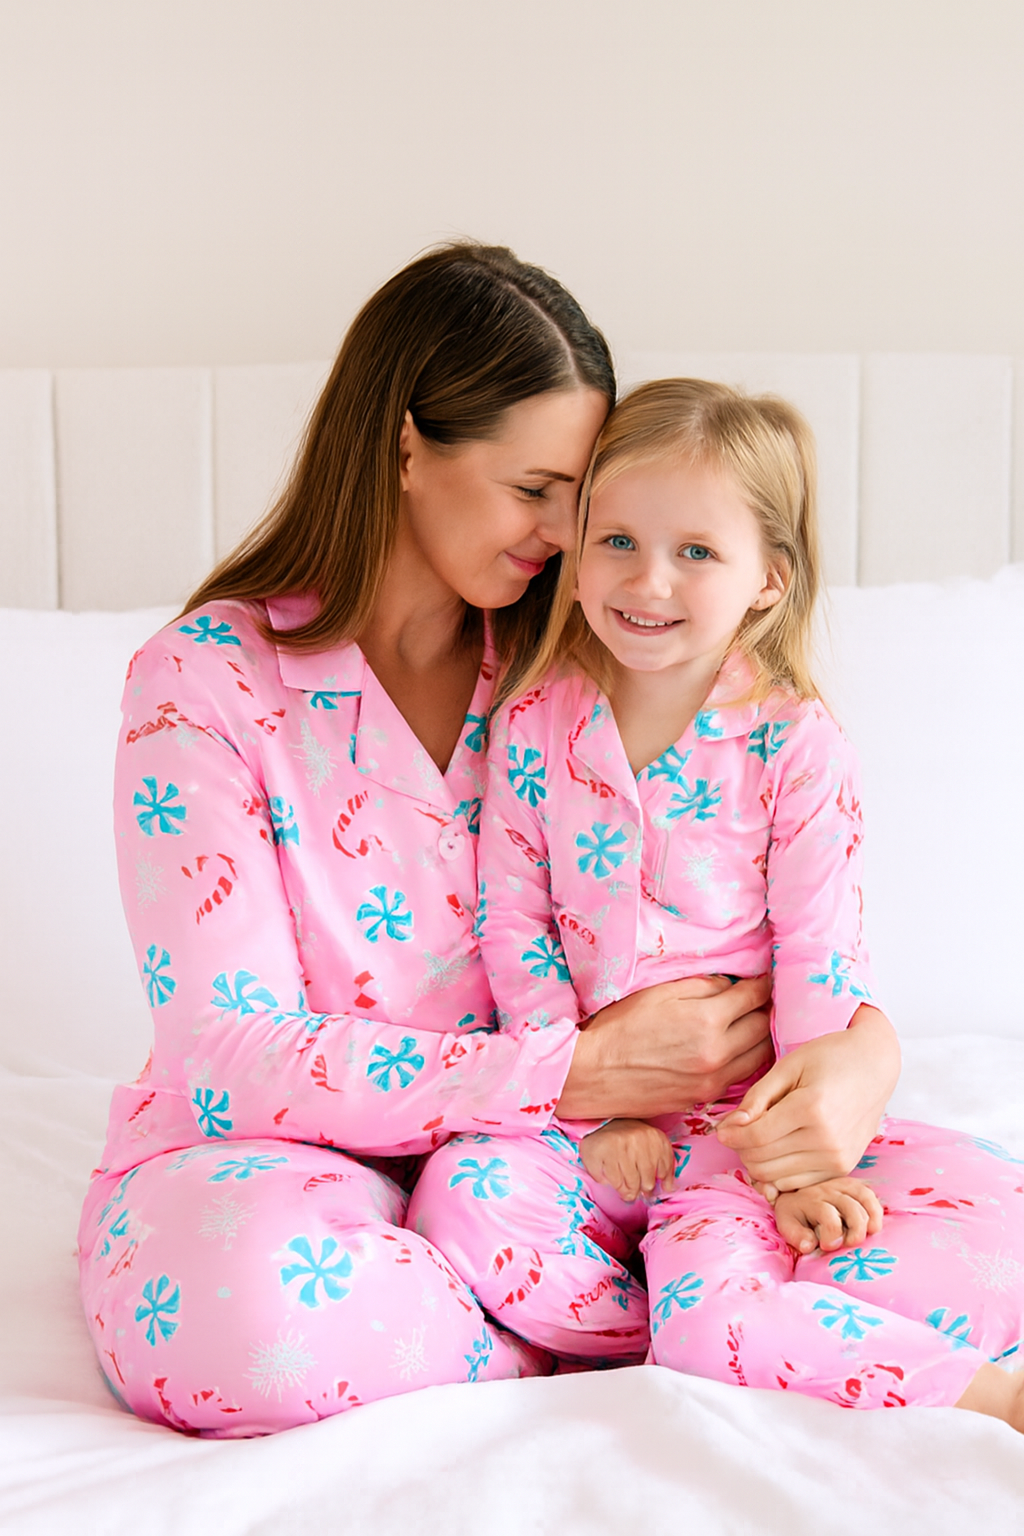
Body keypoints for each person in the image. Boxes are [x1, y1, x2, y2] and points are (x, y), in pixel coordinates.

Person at [78, 246, 898, 1438]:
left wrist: (861, 1058)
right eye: (536, 489)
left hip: (577, 1170)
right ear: (408, 448)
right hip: (281, 1167)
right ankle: (635, 1344)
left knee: (905, 1246)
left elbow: (760, 893)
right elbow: (227, 1052)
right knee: (227, 1312)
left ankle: (630, 1319)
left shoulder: (582, 662)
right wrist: (566, 1072)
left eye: (587, 499)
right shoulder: (205, 682)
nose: (572, 536)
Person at [411, 379, 1024, 1424]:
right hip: (577, 1122)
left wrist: (794, 1158)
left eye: (696, 552)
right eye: (617, 541)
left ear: (765, 581)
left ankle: (974, 1393)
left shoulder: (793, 743)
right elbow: (510, 920)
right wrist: (587, 1100)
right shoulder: (534, 721)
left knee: (794, 1293)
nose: (648, 580)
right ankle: (665, 1324)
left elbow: (819, 952)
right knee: (458, 1203)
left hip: (742, 1137)